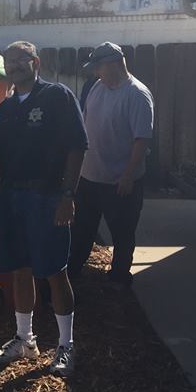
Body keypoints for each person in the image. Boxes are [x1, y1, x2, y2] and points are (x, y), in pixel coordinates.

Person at [0, 41, 87, 376]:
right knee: (19, 269)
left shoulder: (57, 97)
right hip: (12, 198)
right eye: (9, 61)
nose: (15, 65)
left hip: (48, 197)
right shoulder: (4, 109)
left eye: (21, 59)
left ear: (36, 62)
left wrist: (67, 195)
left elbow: (77, 147)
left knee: (54, 272)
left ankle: (65, 345)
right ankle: (24, 339)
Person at [68, 42, 154, 291]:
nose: (96, 73)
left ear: (116, 64)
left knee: (122, 232)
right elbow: (86, 124)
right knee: (82, 229)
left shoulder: (137, 94)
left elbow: (142, 139)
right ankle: (73, 272)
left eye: (99, 68)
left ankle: (119, 277)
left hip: (120, 180)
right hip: (90, 176)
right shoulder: (97, 87)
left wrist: (127, 176)